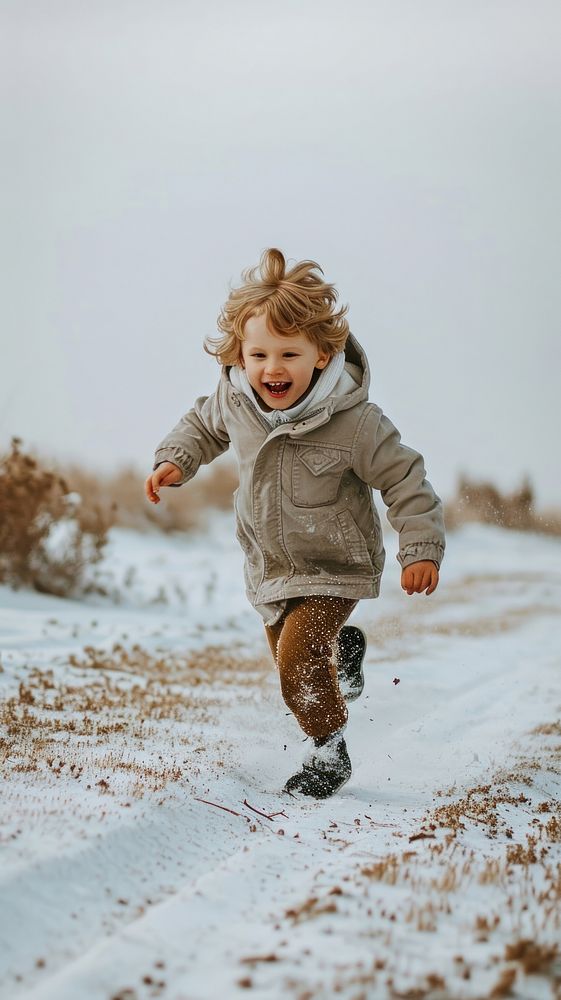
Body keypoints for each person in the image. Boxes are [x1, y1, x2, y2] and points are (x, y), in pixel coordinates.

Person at [145, 248, 445, 799]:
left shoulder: (356, 422)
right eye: (258, 355)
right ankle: (343, 652)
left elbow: (406, 479)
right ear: (240, 355)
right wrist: (175, 459)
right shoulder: (235, 399)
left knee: (299, 662)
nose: (272, 369)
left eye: (289, 354)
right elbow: (202, 426)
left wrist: (419, 547)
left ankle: (329, 754)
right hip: (271, 566)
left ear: (323, 354)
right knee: (293, 668)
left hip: (336, 563)